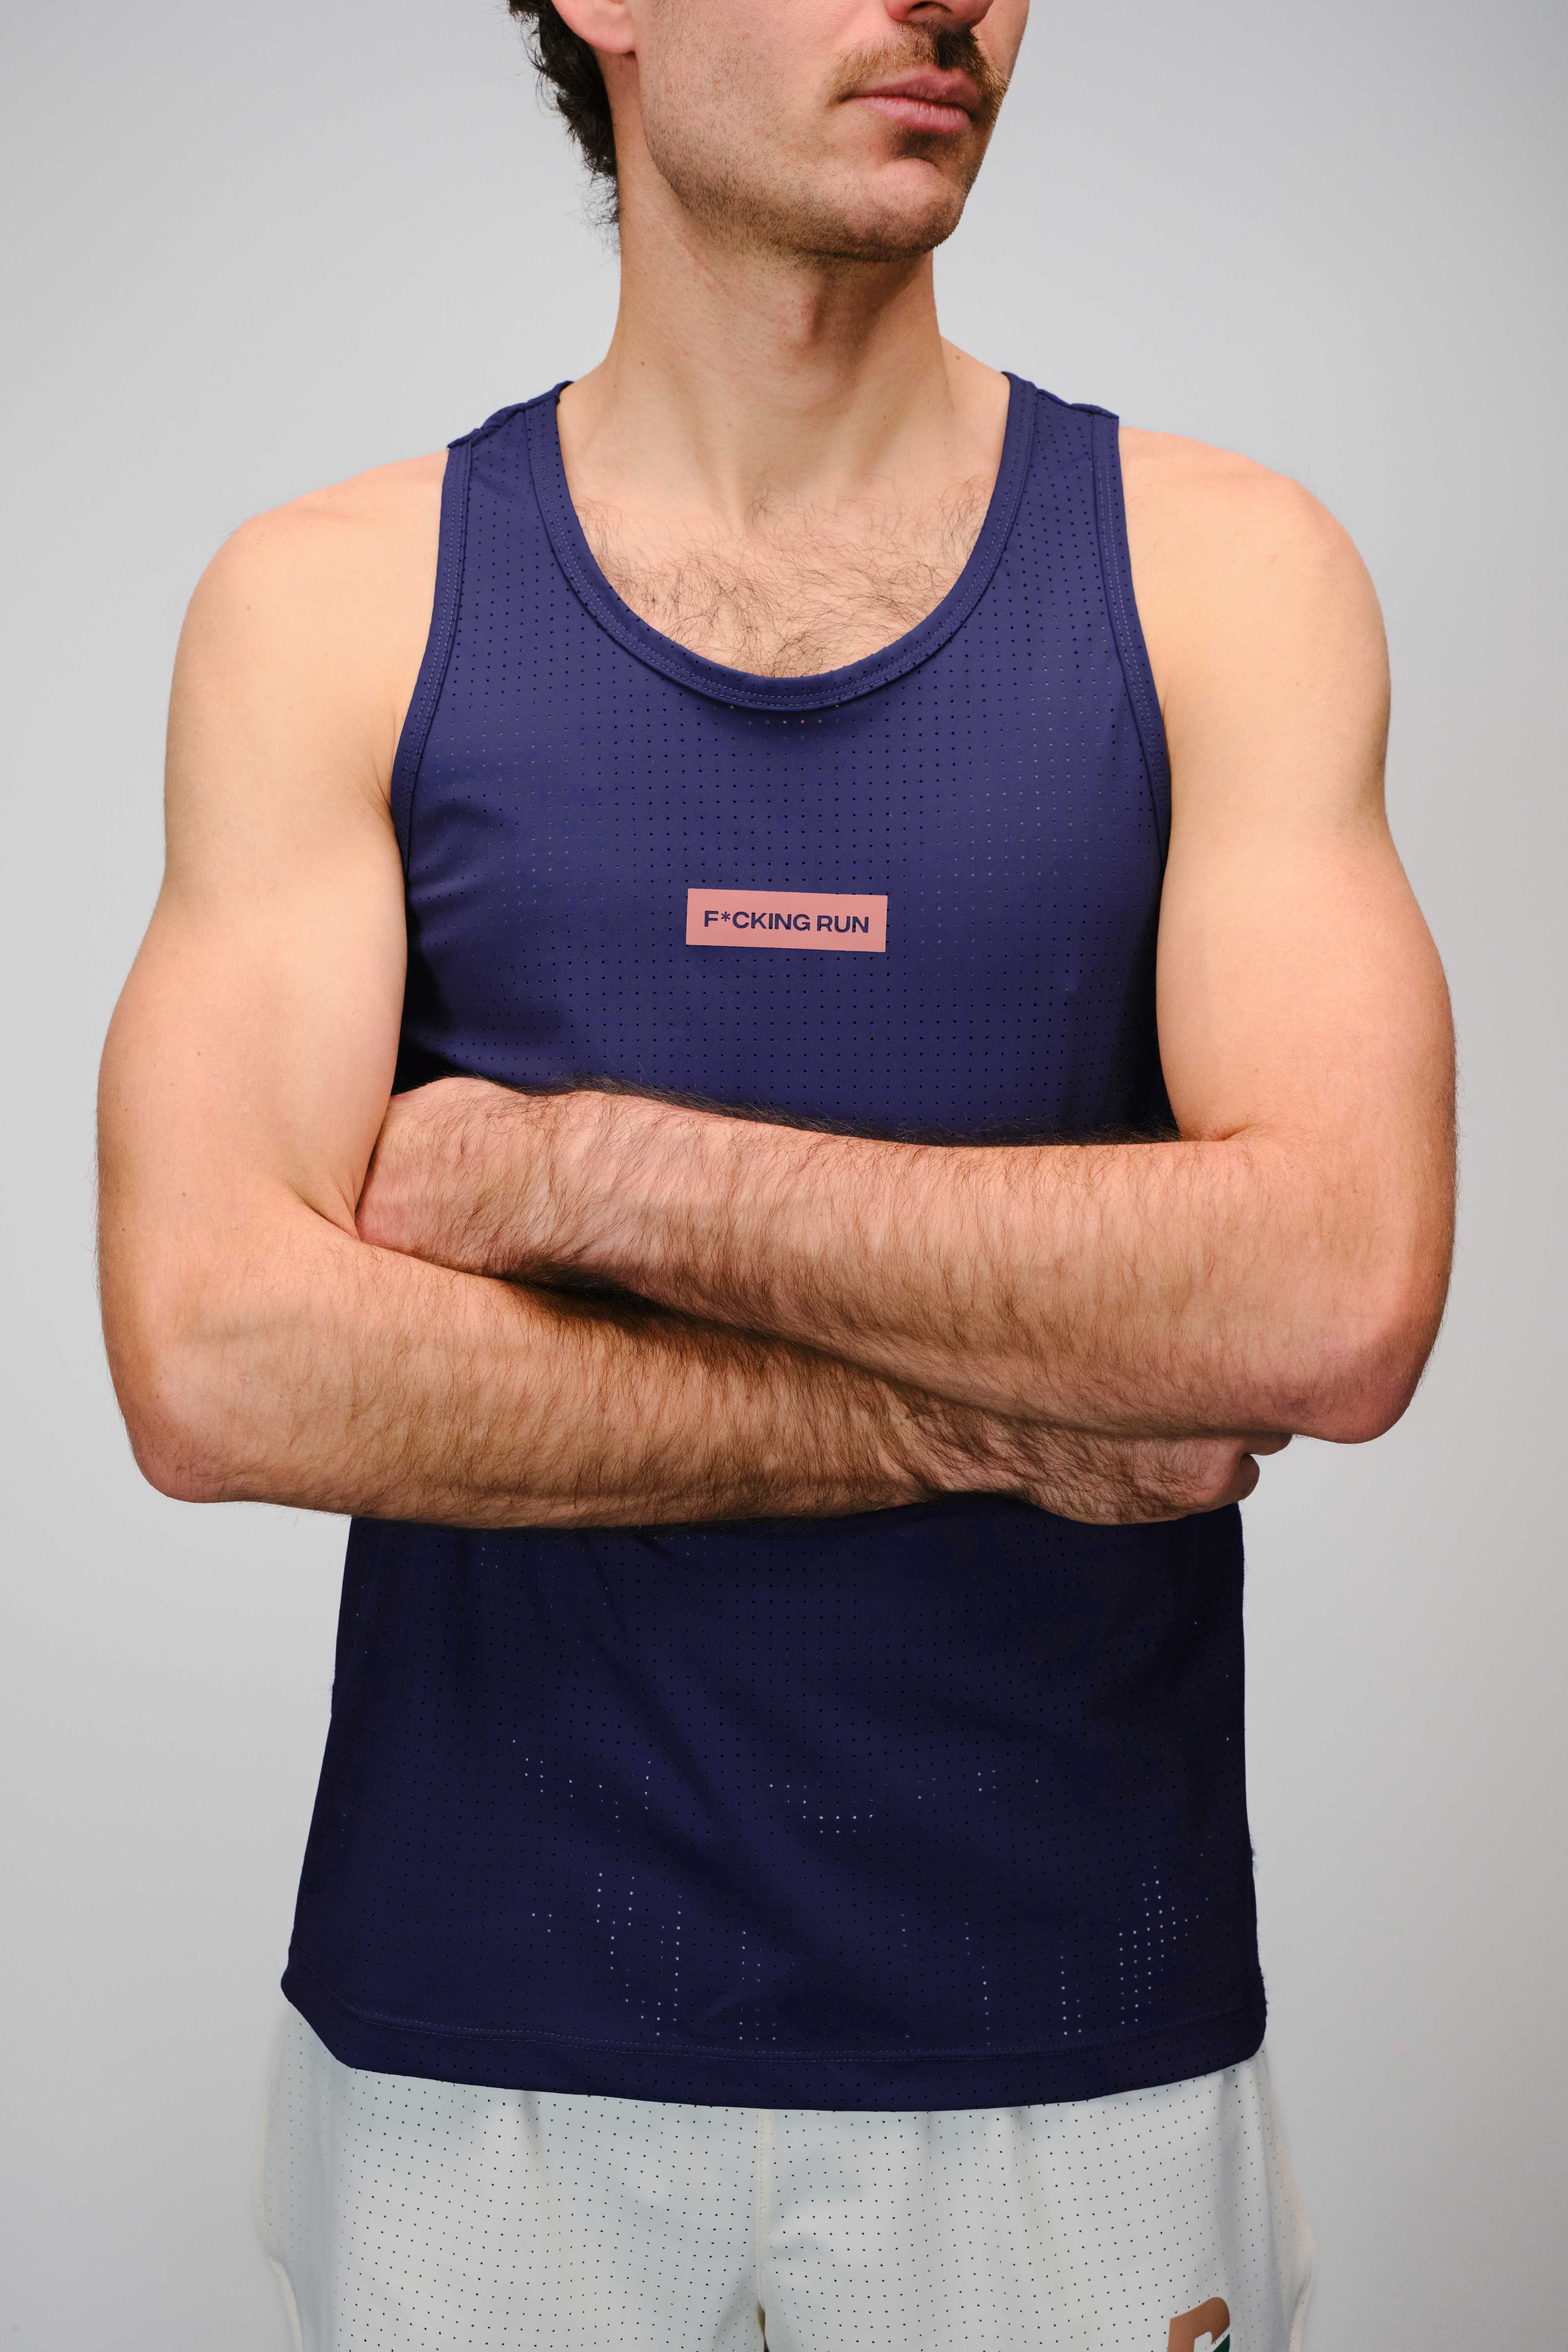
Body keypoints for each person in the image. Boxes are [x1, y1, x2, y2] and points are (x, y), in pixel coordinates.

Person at [97, 0, 1454, 2343]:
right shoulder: (336, 603)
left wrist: (583, 1176)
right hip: (478, 2054)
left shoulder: (1224, 574)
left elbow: (1332, 1294)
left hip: (1070, 2055)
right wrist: (979, 1416)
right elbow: (218, 1362)